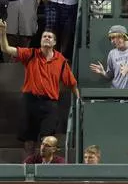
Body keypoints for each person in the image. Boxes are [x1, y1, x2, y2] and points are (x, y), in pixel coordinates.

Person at [0, 20, 79, 154]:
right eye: (44, 36)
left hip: (50, 103)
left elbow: (71, 83)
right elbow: (6, 49)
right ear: (41, 40)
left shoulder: (61, 60)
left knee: (47, 139)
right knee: (29, 139)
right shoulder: (30, 54)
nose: (46, 38)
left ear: (54, 42)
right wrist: (2, 33)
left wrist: (78, 100)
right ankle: (28, 167)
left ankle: (45, 167)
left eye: (50, 37)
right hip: (29, 100)